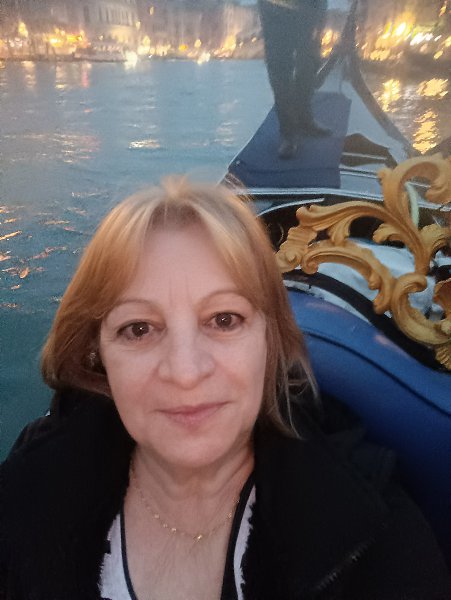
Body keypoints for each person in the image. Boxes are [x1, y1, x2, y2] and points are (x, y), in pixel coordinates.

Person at [1, 177, 450, 600]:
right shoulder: (27, 494)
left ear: (271, 340)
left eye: (224, 320)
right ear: (97, 354)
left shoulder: (372, 538)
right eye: (139, 328)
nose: (185, 372)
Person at [259, 0, 331, 159]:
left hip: (310, 6)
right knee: (280, 67)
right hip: (276, 8)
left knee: (309, 61)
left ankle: (304, 118)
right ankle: (288, 132)